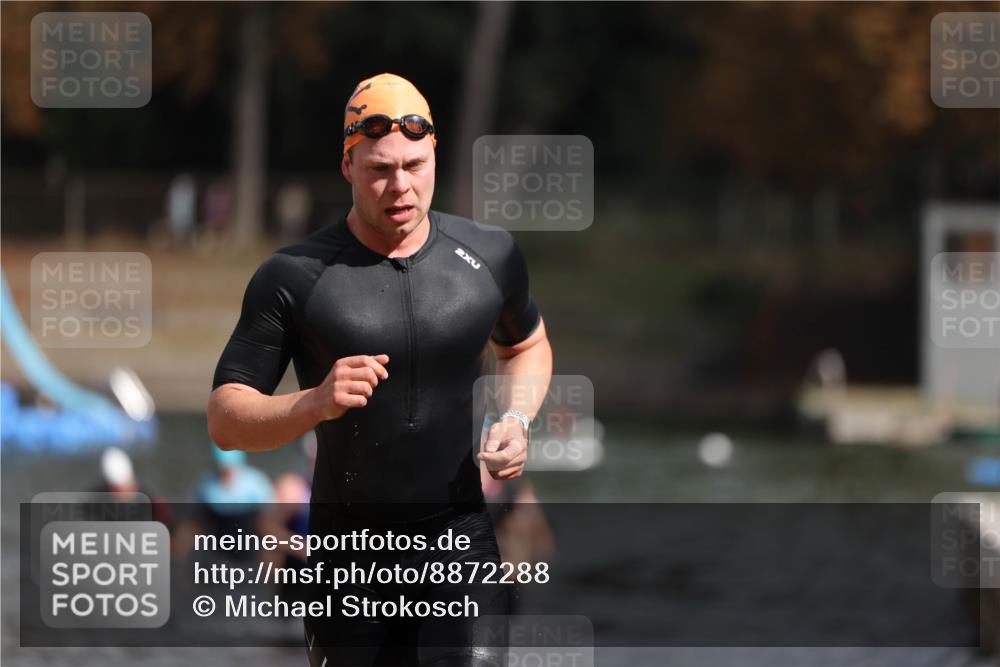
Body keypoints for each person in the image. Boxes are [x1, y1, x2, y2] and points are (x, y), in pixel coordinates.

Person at [207, 72, 553, 666]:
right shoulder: (294, 276)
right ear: (347, 166)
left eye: (415, 165)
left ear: (435, 156)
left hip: (459, 546)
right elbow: (225, 419)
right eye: (379, 169)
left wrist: (517, 417)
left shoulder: (490, 255)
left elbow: (526, 345)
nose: (401, 186)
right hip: (349, 560)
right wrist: (315, 401)